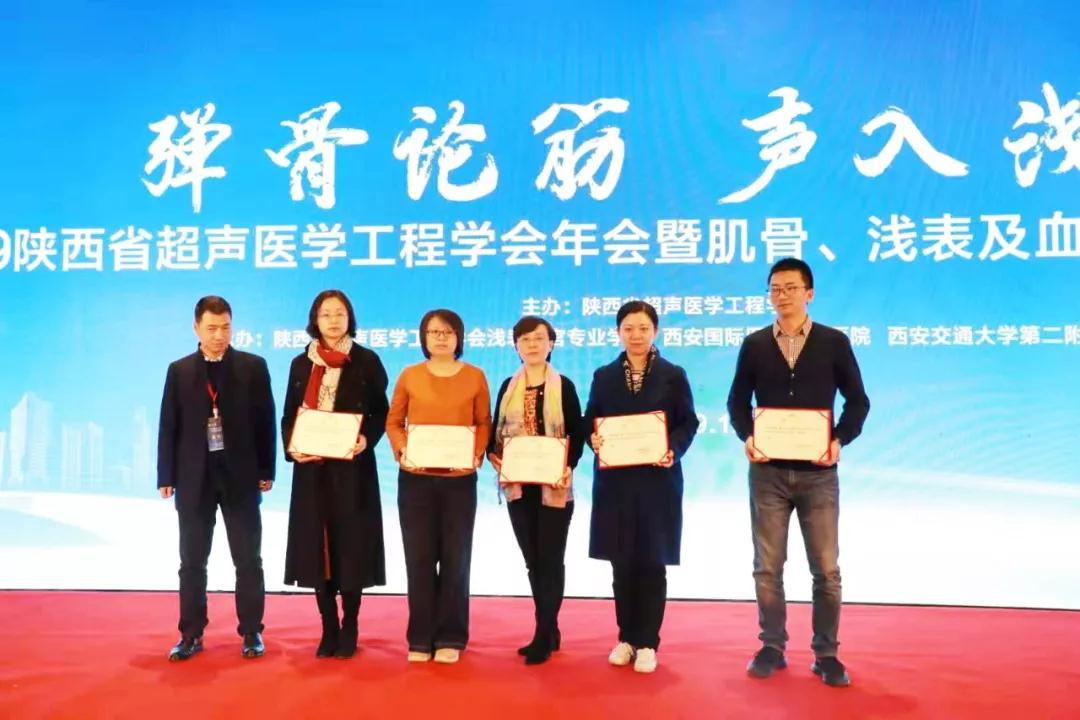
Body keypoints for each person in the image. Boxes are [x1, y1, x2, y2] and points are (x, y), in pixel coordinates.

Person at [726, 257, 870, 688]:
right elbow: (736, 402)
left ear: (809, 293)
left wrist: (838, 440)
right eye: (775, 288)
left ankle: (826, 654)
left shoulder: (833, 342)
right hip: (767, 473)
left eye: (790, 287)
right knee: (767, 567)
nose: (782, 295)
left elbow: (858, 401)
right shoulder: (754, 344)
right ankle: (772, 646)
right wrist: (747, 436)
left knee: (826, 570)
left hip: (818, 474)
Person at [157, 295, 276, 661]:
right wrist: (166, 475)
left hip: (241, 478)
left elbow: (265, 422)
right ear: (196, 328)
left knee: (249, 560)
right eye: (211, 328)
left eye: (225, 327)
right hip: (194, 479)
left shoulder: (253, 367)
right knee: (192, 562)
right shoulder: (179, 371)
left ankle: (252, 631)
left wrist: (266, 470)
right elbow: (168, 426)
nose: (219, 335)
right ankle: (190, 634)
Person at [584, 301, 699, 674]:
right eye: (628, 329)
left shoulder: (673, 374)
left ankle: (648, 641)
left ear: (655, 331)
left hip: (657, 482)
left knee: (651, 562)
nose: (636, 335)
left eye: (643, 328)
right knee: (622, 563)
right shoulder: (604, 376)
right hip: (615, 483)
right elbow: (591, 420)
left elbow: (688, 422)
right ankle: (626, 638)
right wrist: (593, 438)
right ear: (618, 332)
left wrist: (672, 449)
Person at [281, 290, 389, 659]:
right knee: (318, 548)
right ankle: (328, 626)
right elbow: (289, 415)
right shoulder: (301, 364)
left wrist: (365, 438)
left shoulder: (366, 360)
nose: (332, 320)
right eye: (325, 313)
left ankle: (350, 624)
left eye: (339, 313)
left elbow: (381, 413)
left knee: (351, 547)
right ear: (315, 319)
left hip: (352, 470)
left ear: (349, 318)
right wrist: (293, 447)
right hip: (312, 472)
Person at [386, 309, 492, 664]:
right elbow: (394, 421)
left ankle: (451, 636)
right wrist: (402, 449)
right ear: (424, 338)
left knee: (455, 559)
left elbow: (483, 422)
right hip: (415, 481)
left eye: (448, 332)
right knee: (418, 559)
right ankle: (419, 638)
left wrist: (475, 453)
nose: (441, 338)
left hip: (459, 481)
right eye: (434, 332)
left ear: (459, 337)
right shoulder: (410, 375)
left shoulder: (475, 376)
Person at [487, 316, 585, 665]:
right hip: (519, 488)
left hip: (553, 486)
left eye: (539, 338)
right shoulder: (507, 386)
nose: (532, 344)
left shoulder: (564, 386)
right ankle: (549, 628)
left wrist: (567, 466)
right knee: (533, 561)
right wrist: (495, 457)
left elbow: (577, 434)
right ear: (516, 346)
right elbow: (494, 436)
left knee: (551, 560)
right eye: (525, 339)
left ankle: (544, 633)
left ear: (551, 344)